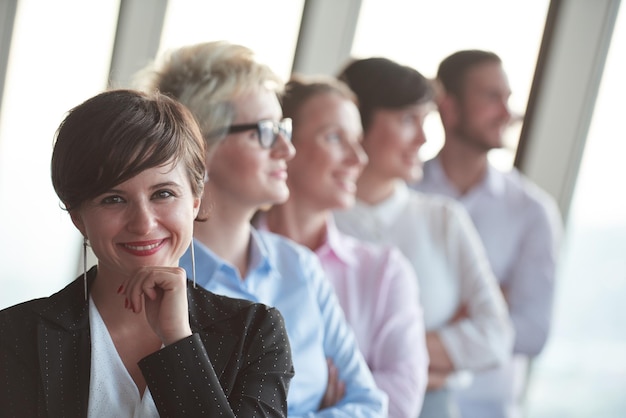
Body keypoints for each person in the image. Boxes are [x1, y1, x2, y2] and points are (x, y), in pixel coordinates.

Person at [0, 89, 294, 417]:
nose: (143, 224)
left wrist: (179, 341)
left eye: (163, 193)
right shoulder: (16, 336)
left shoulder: (255, 333)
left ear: (195, 200)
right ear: (78, 217)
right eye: (113, 199)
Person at [137, 41, 387, 417]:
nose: (287, 149)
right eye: (266, 132)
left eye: (283, 129)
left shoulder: (299, 266)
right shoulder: (157, 289)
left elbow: (370, 404)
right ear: (201, 146)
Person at [334, 57, 514, 418]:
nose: (423, 138)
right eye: (407, 120)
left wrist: (392, 363)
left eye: (424, 120)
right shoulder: (320, 220)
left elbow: (496, 336)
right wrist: (430, 357)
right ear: (356, 121)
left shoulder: (444, 219)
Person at [254, 75, 429, 418]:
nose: (358, 158)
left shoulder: (384, 271)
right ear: (284, 145)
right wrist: (330, 401)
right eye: (335, 138)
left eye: (358, 141)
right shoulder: (231, 259)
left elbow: (401, 403)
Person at [412, 49, 563, 418]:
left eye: (507, 98)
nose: (506, 112)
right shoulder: (406, 194)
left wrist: (431, 325)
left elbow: (533, 331)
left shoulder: (532, 211)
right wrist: (485, 309)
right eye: (492, 97)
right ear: (448, 107)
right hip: (405, 401)